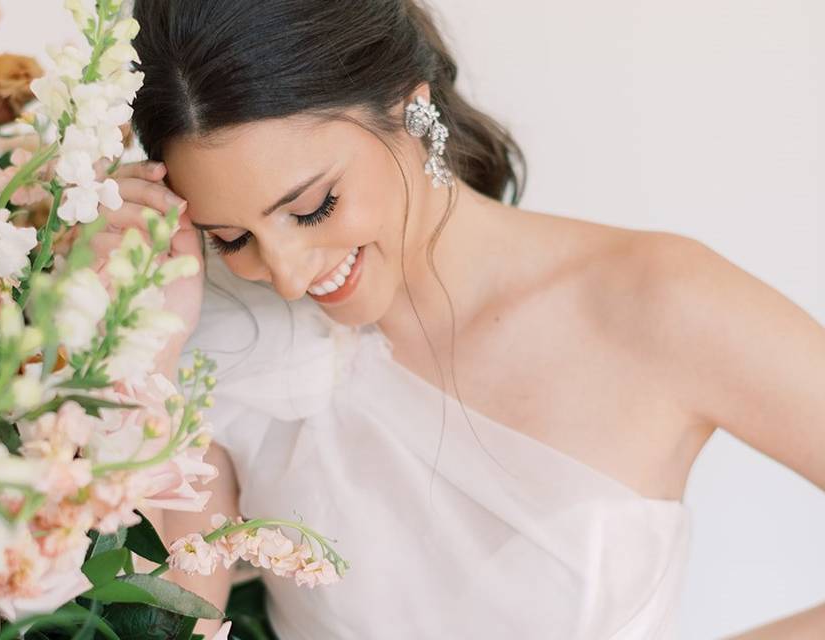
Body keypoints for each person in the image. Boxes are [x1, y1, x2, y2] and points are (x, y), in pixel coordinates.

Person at [94, 1, 825, 638]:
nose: (286, 274)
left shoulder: (660, 302)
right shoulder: (228, 342)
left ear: (413, 110)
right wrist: (137, 354)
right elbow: (163, 626)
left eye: (312, 206)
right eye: (234, 237)